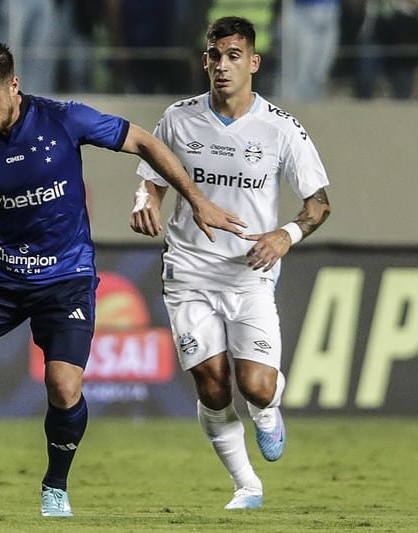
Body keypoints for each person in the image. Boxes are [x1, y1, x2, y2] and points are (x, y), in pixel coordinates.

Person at [0, 40, 244, 517]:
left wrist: (196, 200)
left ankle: (55, 487)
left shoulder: (63, 120)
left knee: (63, 385)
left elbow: (143, 141)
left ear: (14, 86)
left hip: (66, 278)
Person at [129, 16, 331, 510]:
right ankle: (247, 486)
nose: (223, 66)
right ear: (205, 61)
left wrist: (285, 235)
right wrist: (145, 200)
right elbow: (152, 178)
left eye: (234, 56)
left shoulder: (280, 128)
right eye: (215, 56)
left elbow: (319, 204)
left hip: (249, 274)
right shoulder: (178, 118)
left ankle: (268, 405)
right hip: (188, 271)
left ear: (253, 63)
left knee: (256, 387)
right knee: (213, 386)